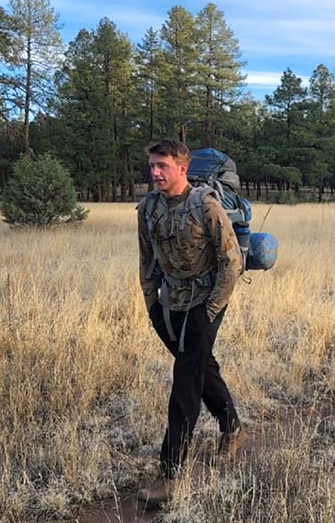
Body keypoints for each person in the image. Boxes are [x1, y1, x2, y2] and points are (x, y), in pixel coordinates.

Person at [136, 139, 245, 505]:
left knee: (185, 380)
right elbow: (146, 261)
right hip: (170, 304)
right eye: (152, 165)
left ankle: (169, 475)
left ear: (182, 169)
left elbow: (232, 262)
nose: (155, 172)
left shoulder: (205, 205)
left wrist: (210, 311)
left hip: (207, 300)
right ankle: (232, 427)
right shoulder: (148, 208)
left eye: (162, 166)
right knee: (200, 368)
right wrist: (152, 305)